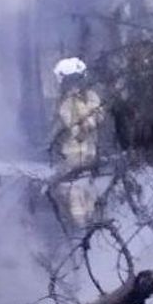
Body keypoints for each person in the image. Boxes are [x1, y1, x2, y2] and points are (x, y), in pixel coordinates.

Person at [50, 57, 103, 226]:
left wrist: (79, 104)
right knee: (75, 202)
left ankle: (90, 230)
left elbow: (92, 121)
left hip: (87, 160)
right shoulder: (64, 103)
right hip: (71, 164)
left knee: (90, 198)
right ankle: (83, 229)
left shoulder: (90, 98)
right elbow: (69, 127)